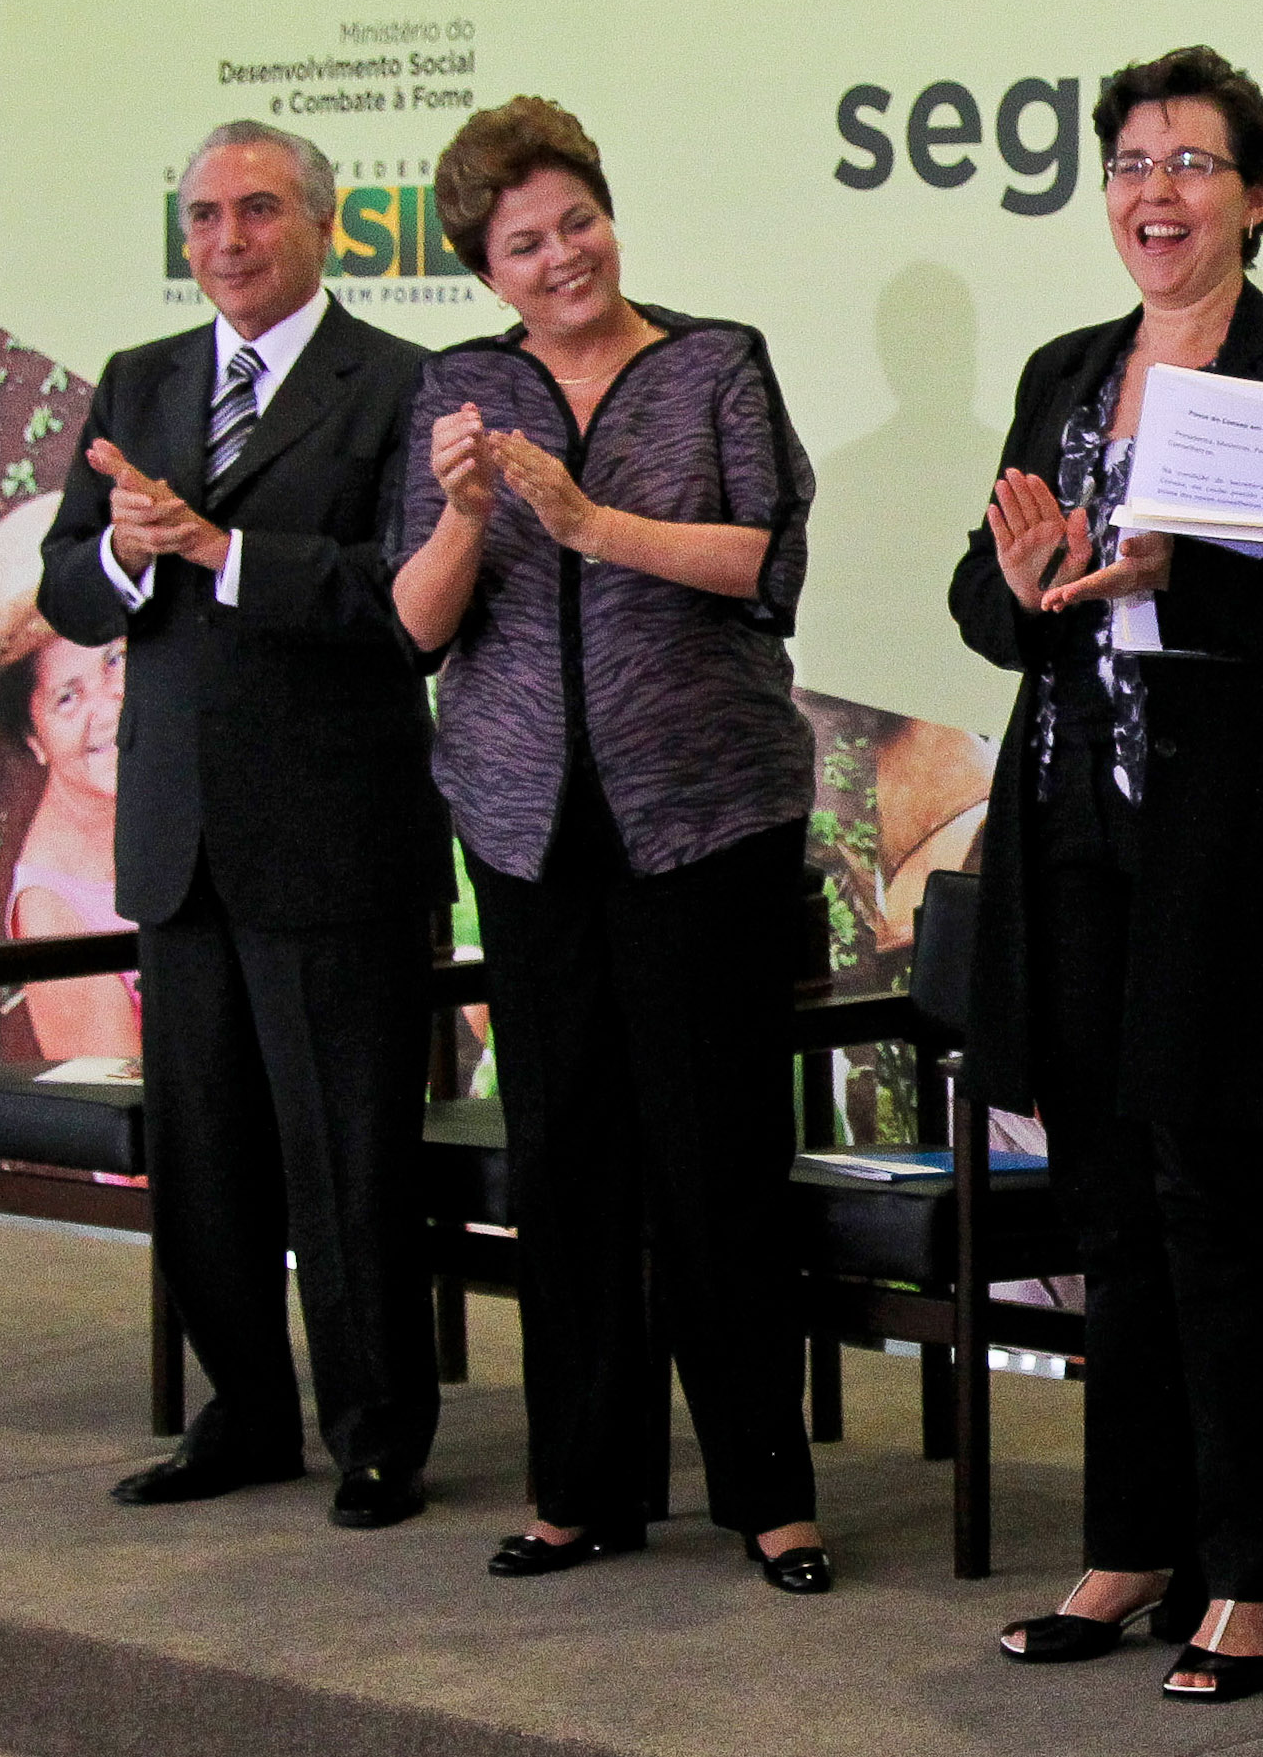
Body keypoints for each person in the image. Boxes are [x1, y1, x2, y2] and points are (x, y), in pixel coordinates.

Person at [951, 45, 1263, 1705]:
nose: (1155, 191)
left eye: (1191, 163)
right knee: (1105, 1207)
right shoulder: (1068, 373)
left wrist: (1188, 571)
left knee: (1212, 1203)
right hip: (1075, 829)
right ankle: (1132, 1542)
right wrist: (1025, 584)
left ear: (1258, 195)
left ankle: (1252, 1576)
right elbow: (988, 599)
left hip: (1226, 846)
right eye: (1130, 162)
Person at [389, 96, 831, 1594]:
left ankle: (768, 1495)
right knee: (563, 1156)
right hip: (524, 824)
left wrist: (588, 522)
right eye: (527, 241)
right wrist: (462, 515)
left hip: (704, 812)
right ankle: (579, 1487)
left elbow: (765, 562)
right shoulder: (456, 390)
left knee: (716, 1159)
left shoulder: (713, 363)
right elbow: (414, 618)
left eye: (578, 219)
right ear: (486, 269)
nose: (564, 253)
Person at [37, 120, 452, 1531]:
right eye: (204, 214)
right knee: (204, 1155)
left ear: (325, 225)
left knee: (348, 1156)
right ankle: (247, 1416)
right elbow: (69, 589)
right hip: (177, 836)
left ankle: (379, 1434)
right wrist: (118, 549)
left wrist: (220, 554)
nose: (226, 238)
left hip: (337, 836)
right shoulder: (142, 383)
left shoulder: (399, 383)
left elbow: (408, 598)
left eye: (257, 210)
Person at [0, 492, 136, 1061]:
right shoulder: (55, 914)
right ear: (34, 741)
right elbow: (126, 1115)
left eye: (115, 661)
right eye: (67, 697)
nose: (110, 707)